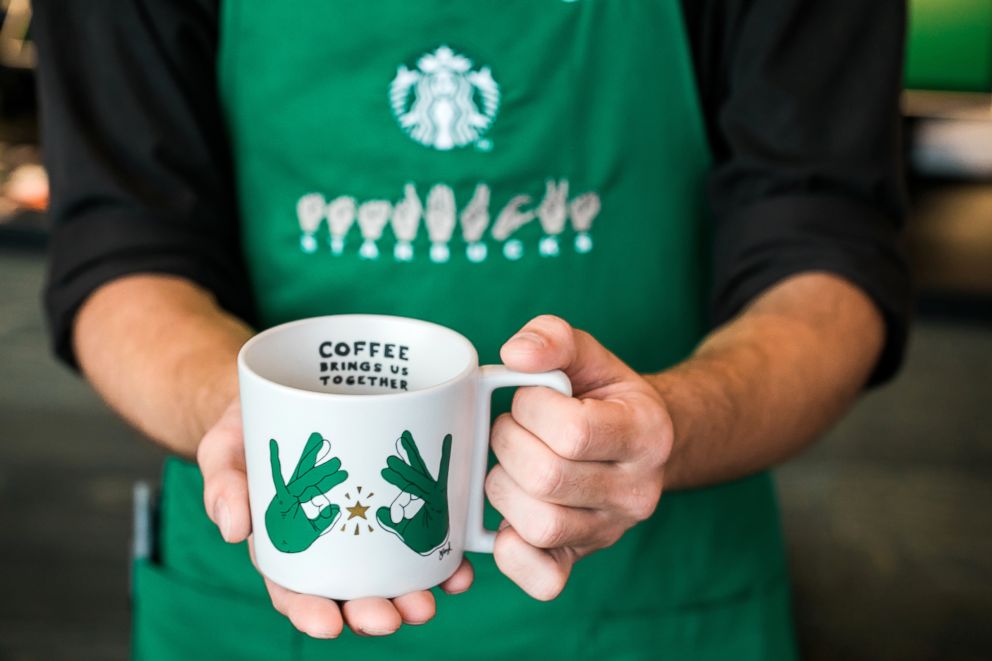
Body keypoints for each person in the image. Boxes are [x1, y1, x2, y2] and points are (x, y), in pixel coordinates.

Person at [35, 1, 911, 659]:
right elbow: (123, 245)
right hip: (259, 596)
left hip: (660, 607)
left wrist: (668, 427)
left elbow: (824, 246)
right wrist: (235, 420)